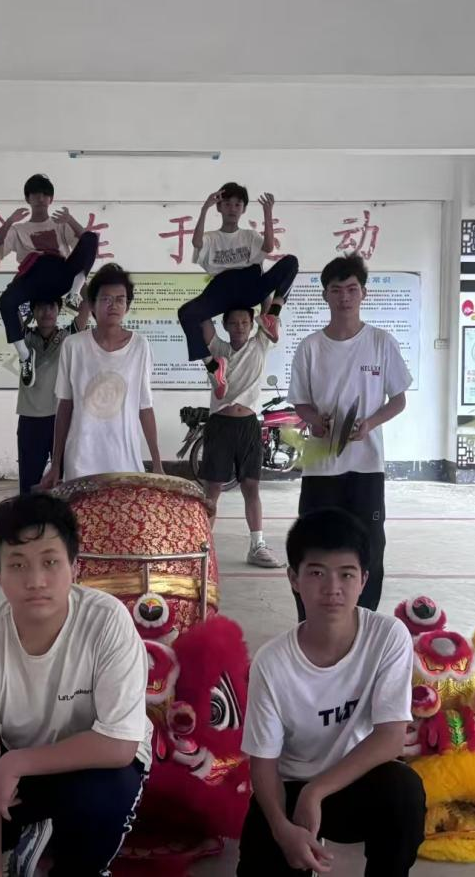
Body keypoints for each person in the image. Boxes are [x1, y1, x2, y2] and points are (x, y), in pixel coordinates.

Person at [0, 493, 150, 877]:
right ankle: (36, 834)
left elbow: (120, 745)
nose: (35, 581)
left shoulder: (107, 622)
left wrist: (17, 762)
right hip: (19, 764)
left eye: (50, 562)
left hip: (96, 764)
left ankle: (66, 858)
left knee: (104, 798)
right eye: (17, 565)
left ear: (74, 566)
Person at [238, 508, 424, 876]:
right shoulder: (272, 662)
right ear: (294, 579)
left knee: (404, 791)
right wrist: (282, 828)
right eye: (317, 573)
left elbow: (390, 739)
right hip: (288, 787)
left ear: (364, 579)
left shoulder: (387, 637)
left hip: (353, 779)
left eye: (346, 574)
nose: (332, 588)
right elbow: (263, 765)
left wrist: (317, 791)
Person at [288, 255, 411, 616]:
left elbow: (398, 400)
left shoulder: (381, 342)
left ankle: (364, 622)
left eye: (352, 289)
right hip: (320, 469)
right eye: (336, 289)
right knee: (313, 546)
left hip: (366, 467)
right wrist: (316, 421)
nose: (345, 297)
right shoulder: (310, 347)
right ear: (325, 295)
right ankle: (311, 621)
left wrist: (369, 424)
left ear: (363, 293)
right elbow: (301, 403)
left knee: (369, 547)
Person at [41, 264, 162, 487]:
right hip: (81, 460)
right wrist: (56, 464)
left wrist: (157, 463)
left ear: (127, 305)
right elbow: (65, 406)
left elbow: (145, 407)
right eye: (106, 299)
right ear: (92, 305)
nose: (113, 305)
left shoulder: (140, 346)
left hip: (125, 460)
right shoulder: (73, 346)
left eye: (120, 299)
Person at [177, 184, 299, 399]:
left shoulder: (249, 236)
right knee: (186, 313)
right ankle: (213, 367)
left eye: (237, 204)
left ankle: (272, 316)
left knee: (290, 262)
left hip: (250, 286)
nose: (232, 209)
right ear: (219, 207)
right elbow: (196, 242)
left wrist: (267, 212)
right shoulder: (211, 237)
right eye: (227, 204)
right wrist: (204, 208)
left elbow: (268, 248)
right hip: (222, 291)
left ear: (243, 209)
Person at [0, 174, 98, 387]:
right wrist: (10, 221)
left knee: (91, 237)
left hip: (60, 274)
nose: (40, 198)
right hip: (33, 276)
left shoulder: (60, 224)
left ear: (51, 199)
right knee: (5, 302)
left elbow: (87, 243)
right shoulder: (18, 229)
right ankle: (24, 356)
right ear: (28, 198)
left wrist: (70, 220)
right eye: (35, 194)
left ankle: (74, 294)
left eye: (45, 194)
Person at [198, 307, 281, 567]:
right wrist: (218, 295)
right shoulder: (218, 348)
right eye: (233, 322)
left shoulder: (260, 344)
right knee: (212, 489)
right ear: (224, 325)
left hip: (248, 425)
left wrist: (266, 295)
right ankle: (201, 547)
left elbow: (270, 311)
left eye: (245, 322)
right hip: (220, 425)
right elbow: (202, 319)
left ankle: (257, 545)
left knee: (251, 486)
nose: (240, 327)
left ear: (252, 324)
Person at [16, 294, 90, 494]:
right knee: (29, 484)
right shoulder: (23, 337)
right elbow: (9, 304)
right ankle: (31, 515)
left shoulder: (69, 336)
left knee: (66, 482)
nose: (46, 312)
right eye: (40, 307)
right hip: (31, 420)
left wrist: (75, 282)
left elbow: (87, 303)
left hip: (63, 418)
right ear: (33, 312)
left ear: (59, 310)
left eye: (51, 307)